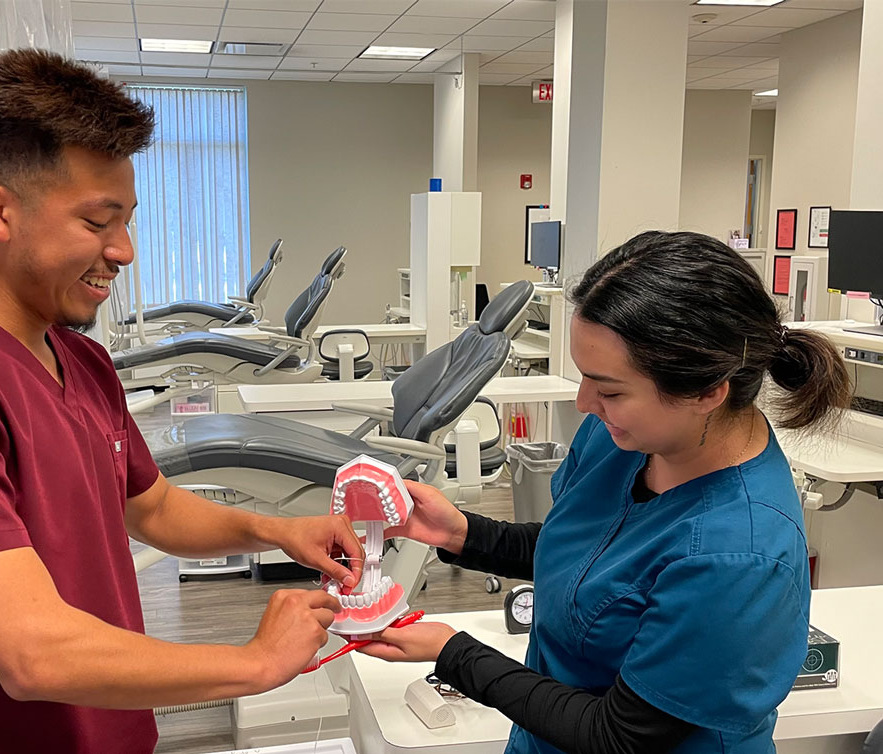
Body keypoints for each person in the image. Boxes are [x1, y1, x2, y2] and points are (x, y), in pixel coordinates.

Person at [0, 49, 362, 754]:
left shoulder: (78, 357)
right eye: (98, 222)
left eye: (128, 219)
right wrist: (252, 662)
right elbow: (32, 653)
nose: (126, 250)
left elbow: (153, 506)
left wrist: (275, 530)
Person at [361, 231, 852, 754]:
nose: (585, 401)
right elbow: (587, 554)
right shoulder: (623, 436)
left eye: (611, 389)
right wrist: (462, 533)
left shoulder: (739, 554)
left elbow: (618, 736)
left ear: (707, 391)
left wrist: (454, 653)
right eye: (586, 379)